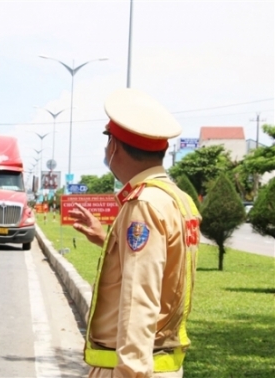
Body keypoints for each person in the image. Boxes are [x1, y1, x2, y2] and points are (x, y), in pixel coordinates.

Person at [70, 88, 202, 378]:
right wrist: (106, 240)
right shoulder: (177, 200)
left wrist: (130, 371)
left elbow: (140, 298)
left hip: (135, 368)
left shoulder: (144, 204)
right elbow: (160, 265)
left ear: (114, 146)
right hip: (161, 364)